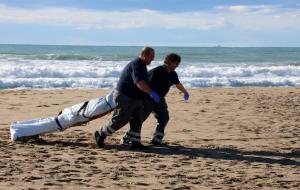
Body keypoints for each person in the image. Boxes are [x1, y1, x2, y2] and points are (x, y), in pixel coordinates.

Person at [94, 46, 160, 149]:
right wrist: (151, 93)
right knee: (121, 119)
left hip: (136, 98)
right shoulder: (137, 64)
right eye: (151, 56)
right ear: (143, 55)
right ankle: (101, 134)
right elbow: (140, 83)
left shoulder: (142, 65)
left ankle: (135, 142)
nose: (153, 59)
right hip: (125, 96)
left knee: (137, 120)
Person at [122, 53, 189, 146]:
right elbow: (143, 84)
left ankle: (156, 139)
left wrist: (185, 92)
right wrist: (148, 95)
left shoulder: (173, 74)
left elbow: (178, 84)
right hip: (148, 99)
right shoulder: (157, 71)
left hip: (160, 100)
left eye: (178, 63)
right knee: (140, 120)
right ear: (169, 62)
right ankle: (127, 138)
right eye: (176, 63)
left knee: (164, 118)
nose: (177, 65)